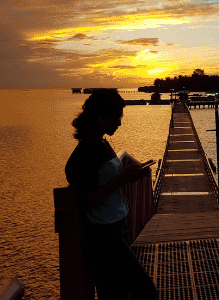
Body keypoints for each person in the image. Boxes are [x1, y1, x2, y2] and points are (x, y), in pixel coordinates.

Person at [65, 89, 157, 299]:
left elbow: (107, 181)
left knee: (115, 294)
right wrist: (122, 179)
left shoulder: (103, 142)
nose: (120, 123)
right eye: (117, 117)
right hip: (104, 233)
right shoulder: (86, 152)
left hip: (117, 225)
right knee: (145, 291)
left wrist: (128, 176)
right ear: (100, 117)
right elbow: (87, 198)